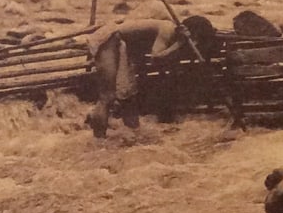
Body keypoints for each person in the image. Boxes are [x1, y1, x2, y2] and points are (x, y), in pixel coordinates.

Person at [85, 15, 215, 138]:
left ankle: (132, 137)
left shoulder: (174, 35)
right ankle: (99, 142)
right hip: (110, 40)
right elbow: (155, 57)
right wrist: (179, 44)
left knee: (128, 96)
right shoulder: (168, 29)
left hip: (124, 48)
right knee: (107, 97)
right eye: (196, 40)